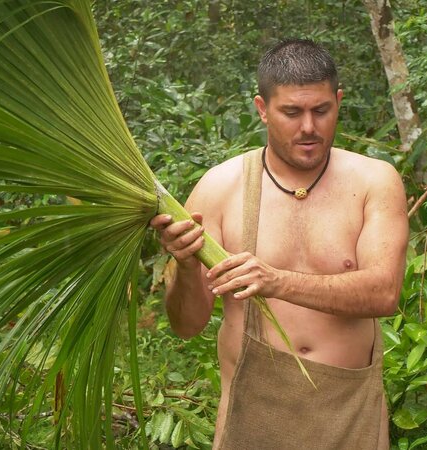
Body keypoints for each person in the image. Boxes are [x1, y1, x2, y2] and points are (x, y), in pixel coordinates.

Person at [150, 38, 408, 449]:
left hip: (349, 415)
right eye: (291, 112)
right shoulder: (220, 188)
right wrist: (185, 265)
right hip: (251, 417)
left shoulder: (373, 181)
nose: (308, 127)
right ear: (262, 109)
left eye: (321, 110)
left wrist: (276, 281)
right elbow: (187, 325)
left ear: (338, 102)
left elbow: (384, 293)